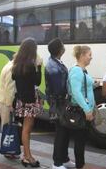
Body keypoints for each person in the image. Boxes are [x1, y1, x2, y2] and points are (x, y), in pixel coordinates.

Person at [45, 38, 76, 169]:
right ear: (59, 50)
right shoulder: (53, 66)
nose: (64, 47)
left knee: (65, 131)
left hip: (61, 103)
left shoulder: (56, 62)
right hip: (59, 103)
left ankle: (64, 159)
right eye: (63, 46)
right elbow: (58, 88)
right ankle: (57, 163)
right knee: (61, 133)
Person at [12, 38, 43, 167]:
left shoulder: (17, 64)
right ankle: (27, 156)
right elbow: (38, 81)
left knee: (26, 128)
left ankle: (27, 155)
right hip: (29, 100)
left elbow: (14, 78)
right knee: (27, 129)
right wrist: (39, 66)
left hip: (21, 99)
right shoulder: (30, 65)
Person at [68, 45, 96, 169]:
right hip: (81, 112)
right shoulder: (77, 70)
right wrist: (86, 109)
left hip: (85, 110)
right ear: (82, 55)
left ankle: (81, 164)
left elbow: (82, 88)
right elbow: (76, 92)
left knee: (82, 140)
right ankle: (80, 165)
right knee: (80, 140)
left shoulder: (82, 70)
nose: (91, 57)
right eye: (89, 55)